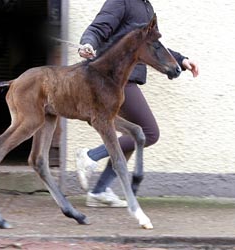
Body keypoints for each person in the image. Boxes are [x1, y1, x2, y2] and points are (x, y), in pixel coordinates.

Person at [76, 0, 199, 208]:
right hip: (113, 78)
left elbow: (153, 45)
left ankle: (99, 190)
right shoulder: (122, 1)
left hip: (125, 79)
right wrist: (88, 43)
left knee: (134, 134)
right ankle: (90, 156)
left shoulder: (147, 7)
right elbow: (98, 28)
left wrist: (181, 60)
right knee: (149, 132)